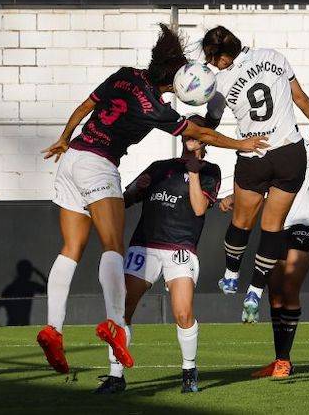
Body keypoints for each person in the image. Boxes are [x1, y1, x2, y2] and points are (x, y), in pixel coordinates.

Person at [36, 24, 268, 375]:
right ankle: (115, 324)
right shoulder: (155, 109)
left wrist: (64, 138)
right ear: (174, 78)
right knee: (112, 247)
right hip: (99, 164)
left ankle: (53, 328)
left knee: (70, 249)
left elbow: (86, 106)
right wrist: (240, 144)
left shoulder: (125, 75)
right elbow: (200, 132)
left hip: (71, 158)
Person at [201, 26, 309, 323]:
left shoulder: (220, 82)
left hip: (254, 155)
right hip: (289, 153)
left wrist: (196, 130)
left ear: (222, 56)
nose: (210, 63)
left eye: (211, 58)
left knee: (241, 223)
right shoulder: (274, 56)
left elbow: (212, 123)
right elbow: (299, 97)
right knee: (273, 228)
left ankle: (232, 275)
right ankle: (255, 293)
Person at [96, 115, 220, 395]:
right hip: (145, 246)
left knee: (183, 313)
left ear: (206, 138)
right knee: (121, 310)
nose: (190, 137)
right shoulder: (159, 168)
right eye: (187, 132)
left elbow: (200, 209)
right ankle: (116, 376)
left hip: (180, 249)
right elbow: (128, 197)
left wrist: (194, 172)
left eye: (197, 133)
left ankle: (189, 371)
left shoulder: (211, 171)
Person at [219, 138, 309, 378]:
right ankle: (282, 359)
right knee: (275, 294)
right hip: (275, 229)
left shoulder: (304, 147)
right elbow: (258, 189)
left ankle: (283, 362)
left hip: (304, 224)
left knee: (289, 286)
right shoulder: (263, 147)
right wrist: (232, 197)